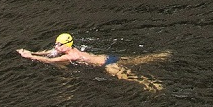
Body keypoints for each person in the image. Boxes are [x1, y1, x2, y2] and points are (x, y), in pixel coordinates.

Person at [17, 34, 167, 92]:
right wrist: (33, 51)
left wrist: (31, 57)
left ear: (67, 45)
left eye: (59, 45)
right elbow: (49, 53)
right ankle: (162, 55)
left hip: (107, 65)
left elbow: (51, 60)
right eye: (56, 44)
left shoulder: (72, 56)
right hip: (108, 57)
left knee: (128, 77)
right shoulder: (69, 50)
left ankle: (152, 85)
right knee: (138, 60)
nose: (56, 47)